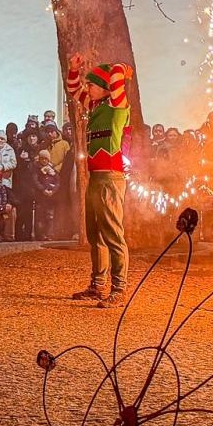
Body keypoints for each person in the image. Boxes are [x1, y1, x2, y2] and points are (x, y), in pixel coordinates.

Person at [66, 55, 132, 306]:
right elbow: (74, 91)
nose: (87, 88)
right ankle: (98, 284)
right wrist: (74, 70)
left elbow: (116, 74)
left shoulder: (117, 106)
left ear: (105, 89)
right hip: (96, 178)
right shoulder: (96, 107)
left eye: (92, 85)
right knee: (95, 235)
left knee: (113, 234)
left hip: (111, 179)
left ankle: (119, 287)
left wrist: (122, 69)